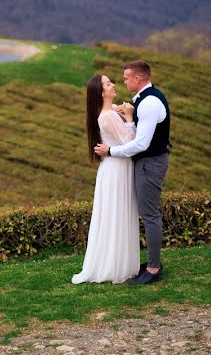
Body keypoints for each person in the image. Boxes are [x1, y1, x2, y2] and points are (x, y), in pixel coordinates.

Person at [94, 60, 170, 284]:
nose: (123, 81)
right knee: (148, 213)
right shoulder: (144, 102)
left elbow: (141, 144)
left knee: (150, 215)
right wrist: (128, 113)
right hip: (147, 163)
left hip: (149, 163)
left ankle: (154, 268)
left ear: (138, 79)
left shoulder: (149, 104)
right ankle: (151, 263)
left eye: (126, 77)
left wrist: (111, 150)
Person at [71, 74, 140, 284]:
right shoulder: (107, 116)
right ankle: (115, 265)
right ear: (101, 93)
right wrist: (129, 117)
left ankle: (116, 262)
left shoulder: (108, 113)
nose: (113, 85)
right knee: (118, 213)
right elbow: (129, 143)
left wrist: (121, 111)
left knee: (115, 213)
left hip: (115, 167)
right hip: (118, 167)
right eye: (109, 83)